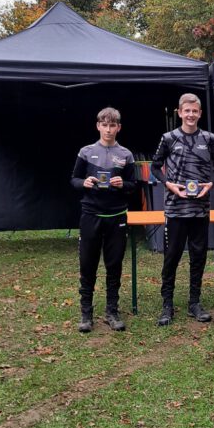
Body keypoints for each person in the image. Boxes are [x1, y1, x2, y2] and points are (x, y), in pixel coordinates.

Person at [151, 93, 214, 327]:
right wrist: (169, 184)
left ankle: (194, 303)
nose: (191, 115)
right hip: (175, 210)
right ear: (180, 112)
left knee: (198, 257)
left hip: (200, 210)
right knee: (171, 258)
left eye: (195, 111)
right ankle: (167, 305)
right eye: (186, 111)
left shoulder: (209, 138)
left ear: (200, 113)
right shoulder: (169, 138)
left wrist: (210, 183)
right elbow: (155, 167)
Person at [71, 107, 136, 333]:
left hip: (116, 216)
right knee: (87, 264)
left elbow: (133, 187)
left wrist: (122, 185)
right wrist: (84, 183)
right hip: (91, 215)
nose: (108, 130)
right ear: (98, 126)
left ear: (118, 127)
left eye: (112, 125)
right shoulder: (86, 151)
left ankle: (112, 312)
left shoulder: (126, 154)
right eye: (104, 125)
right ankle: (86, 314)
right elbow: (74, 180)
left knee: (114, 265)